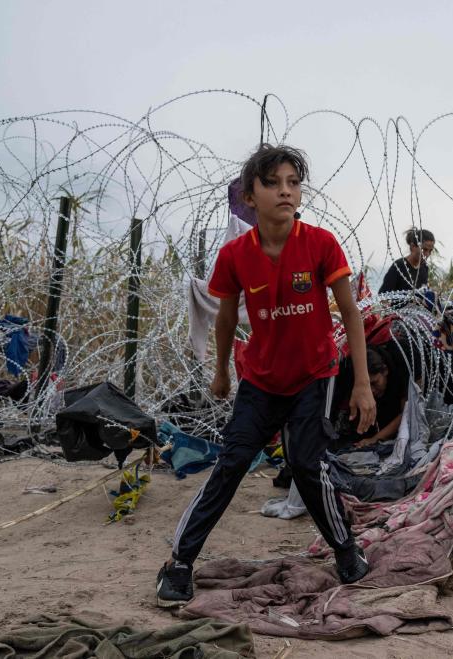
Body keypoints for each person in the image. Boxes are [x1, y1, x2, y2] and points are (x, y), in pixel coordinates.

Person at [156, 144, 377, 607]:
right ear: (249, 197)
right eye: (273, 183)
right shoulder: (236, 254)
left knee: (306, 466)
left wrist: (360, 385)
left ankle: (346, 550)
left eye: (293, 183)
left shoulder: (320, 243)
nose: (285, 192)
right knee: (232, 464)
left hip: (314, 376)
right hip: (260, 379)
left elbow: (352, 314)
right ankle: (179, 562)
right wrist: (220, 370)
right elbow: (224, 317)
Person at [378, 228, 435, 294]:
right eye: (424, 250)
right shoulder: (399, 266)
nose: (427, 254)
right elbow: (383, 296)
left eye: (430, 251)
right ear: (413, 246)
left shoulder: (424, 267)